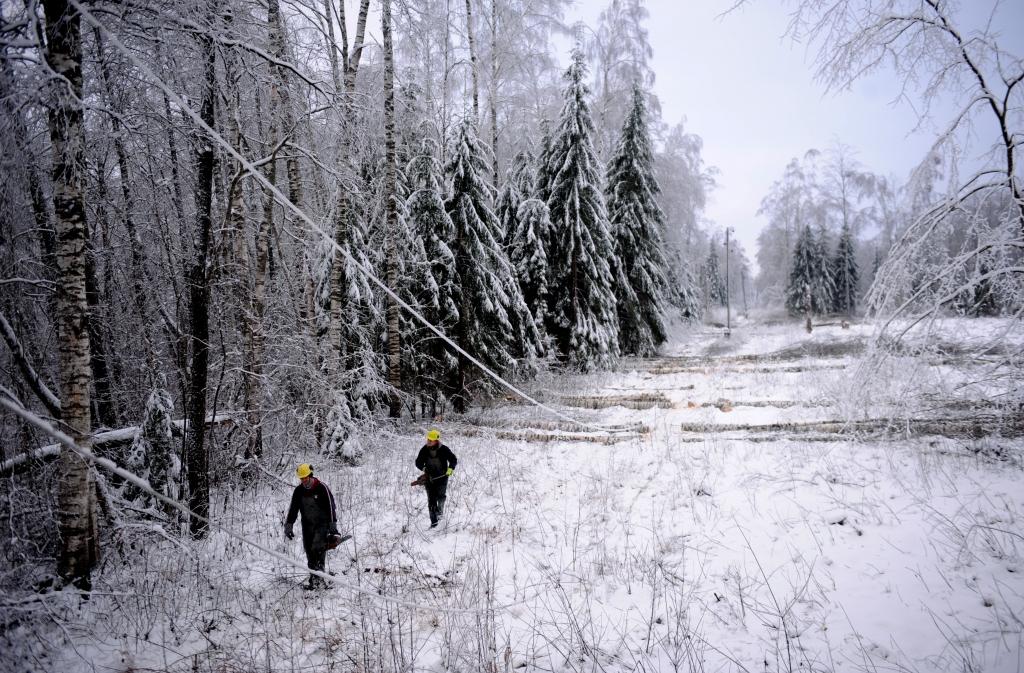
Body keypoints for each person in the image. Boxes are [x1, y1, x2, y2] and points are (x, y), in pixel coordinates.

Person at [285, 463, 339, 590]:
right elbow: (293, 508)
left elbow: (331, 508)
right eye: (301, 478)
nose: (303, 480)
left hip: (322, 524)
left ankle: (319, 580)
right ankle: (313, 580)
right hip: (307, 525)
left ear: (310, 475)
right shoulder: (298, 491)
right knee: (309, 551)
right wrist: (289, 525)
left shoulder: (321, 488)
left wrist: (333, 528)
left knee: (318, 549)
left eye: (305, 477)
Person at [415, 429, 458, 528]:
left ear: (437, 441)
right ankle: (434, 523)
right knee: (431, 500)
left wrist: (451, 468)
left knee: (441, 496)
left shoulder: (444, 449)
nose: (429, 441)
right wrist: (424, 468)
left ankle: (440, 513)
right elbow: (418, 462)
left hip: (443, 477)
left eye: (431, 440)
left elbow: (453, 459)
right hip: (429, 478)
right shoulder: (424, 449)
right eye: (428, 439)